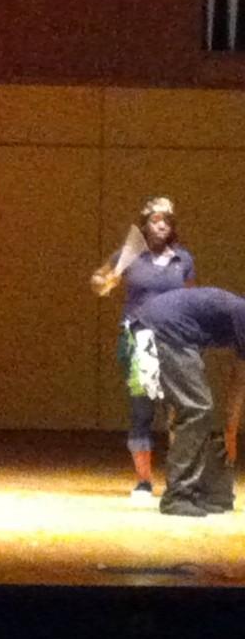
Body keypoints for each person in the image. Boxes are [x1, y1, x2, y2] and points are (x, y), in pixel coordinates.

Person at [91, 196, 195, 501]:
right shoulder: (129, 255)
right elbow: (98, 280)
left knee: (178, 412)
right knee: (142, 410)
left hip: (175, 340)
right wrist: (104, 281)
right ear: (145, 224)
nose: (161, 224)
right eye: (155, 219)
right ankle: (144, 482)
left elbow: (190, 300)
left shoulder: (184, 259)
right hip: (140, 340)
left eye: (166, 219)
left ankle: (179, 481)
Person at [131, 287, 245, 517]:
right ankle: (179, 496)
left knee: (191, 409)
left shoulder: (232, 313)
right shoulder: (242, 314)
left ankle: (207, 493)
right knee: (197, 409)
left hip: (150, 325)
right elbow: (240, 379)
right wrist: (231, 431)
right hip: (163, 328)